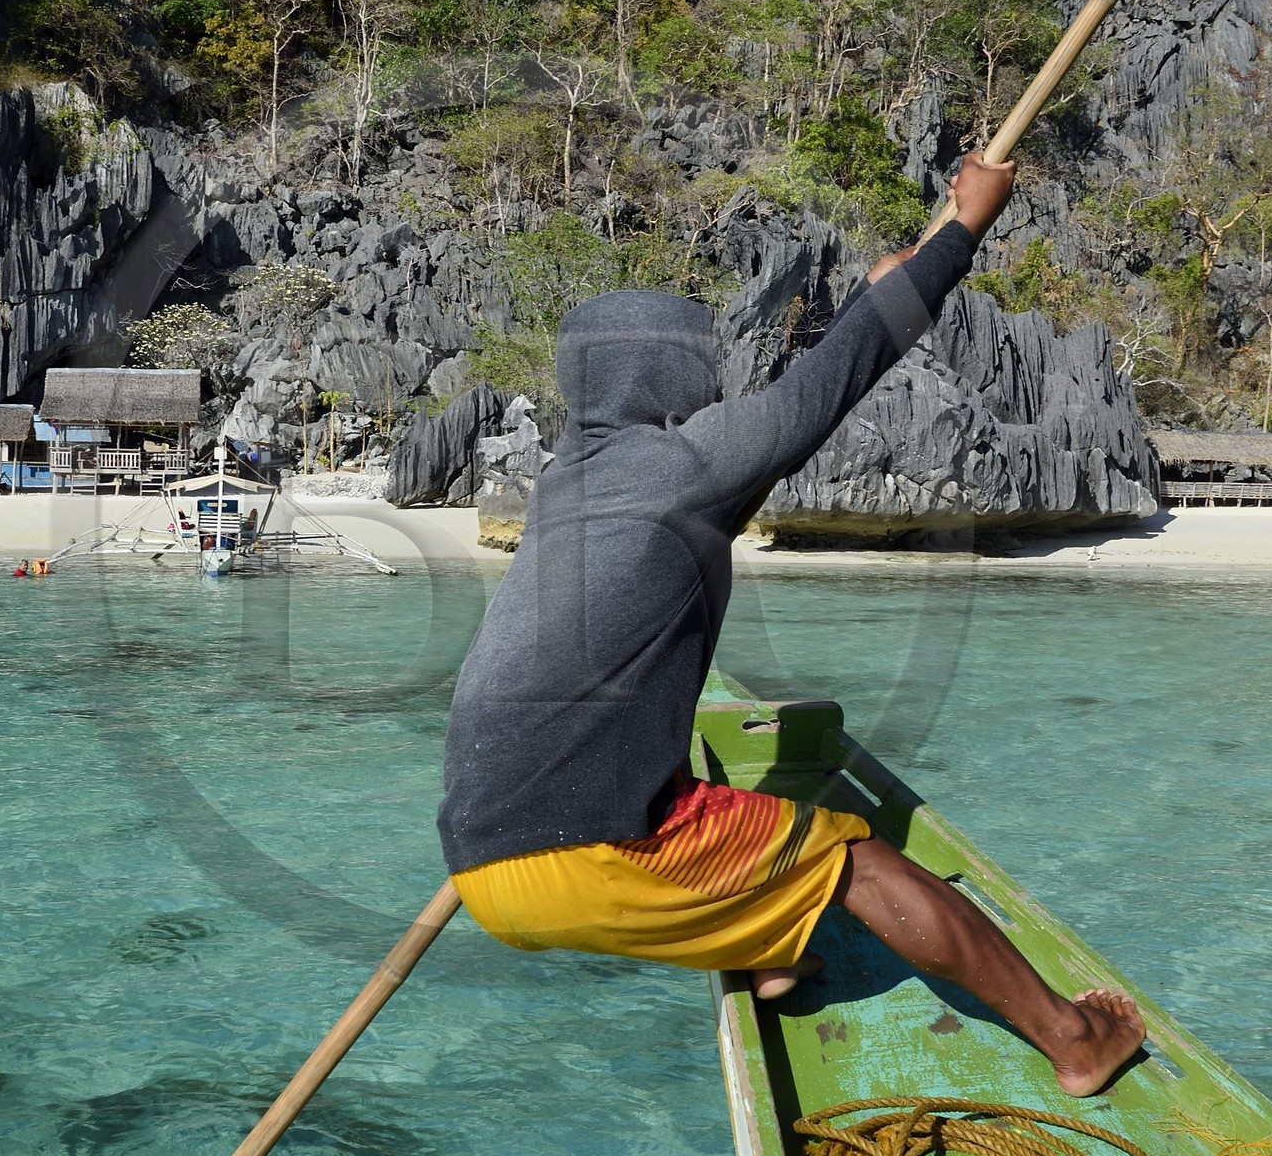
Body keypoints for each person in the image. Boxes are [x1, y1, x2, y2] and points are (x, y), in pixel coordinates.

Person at [439, 159, 1143, 1099]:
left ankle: (770, 945)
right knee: (856, 858)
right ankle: (1071, 1037)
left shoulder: (568, 483)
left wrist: (873, 292)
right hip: (585, 849)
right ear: (668, 372)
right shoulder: (684, 464)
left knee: (677, 771)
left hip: (481, 861)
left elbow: (783, 402)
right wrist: (962, 234)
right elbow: (830, 386)